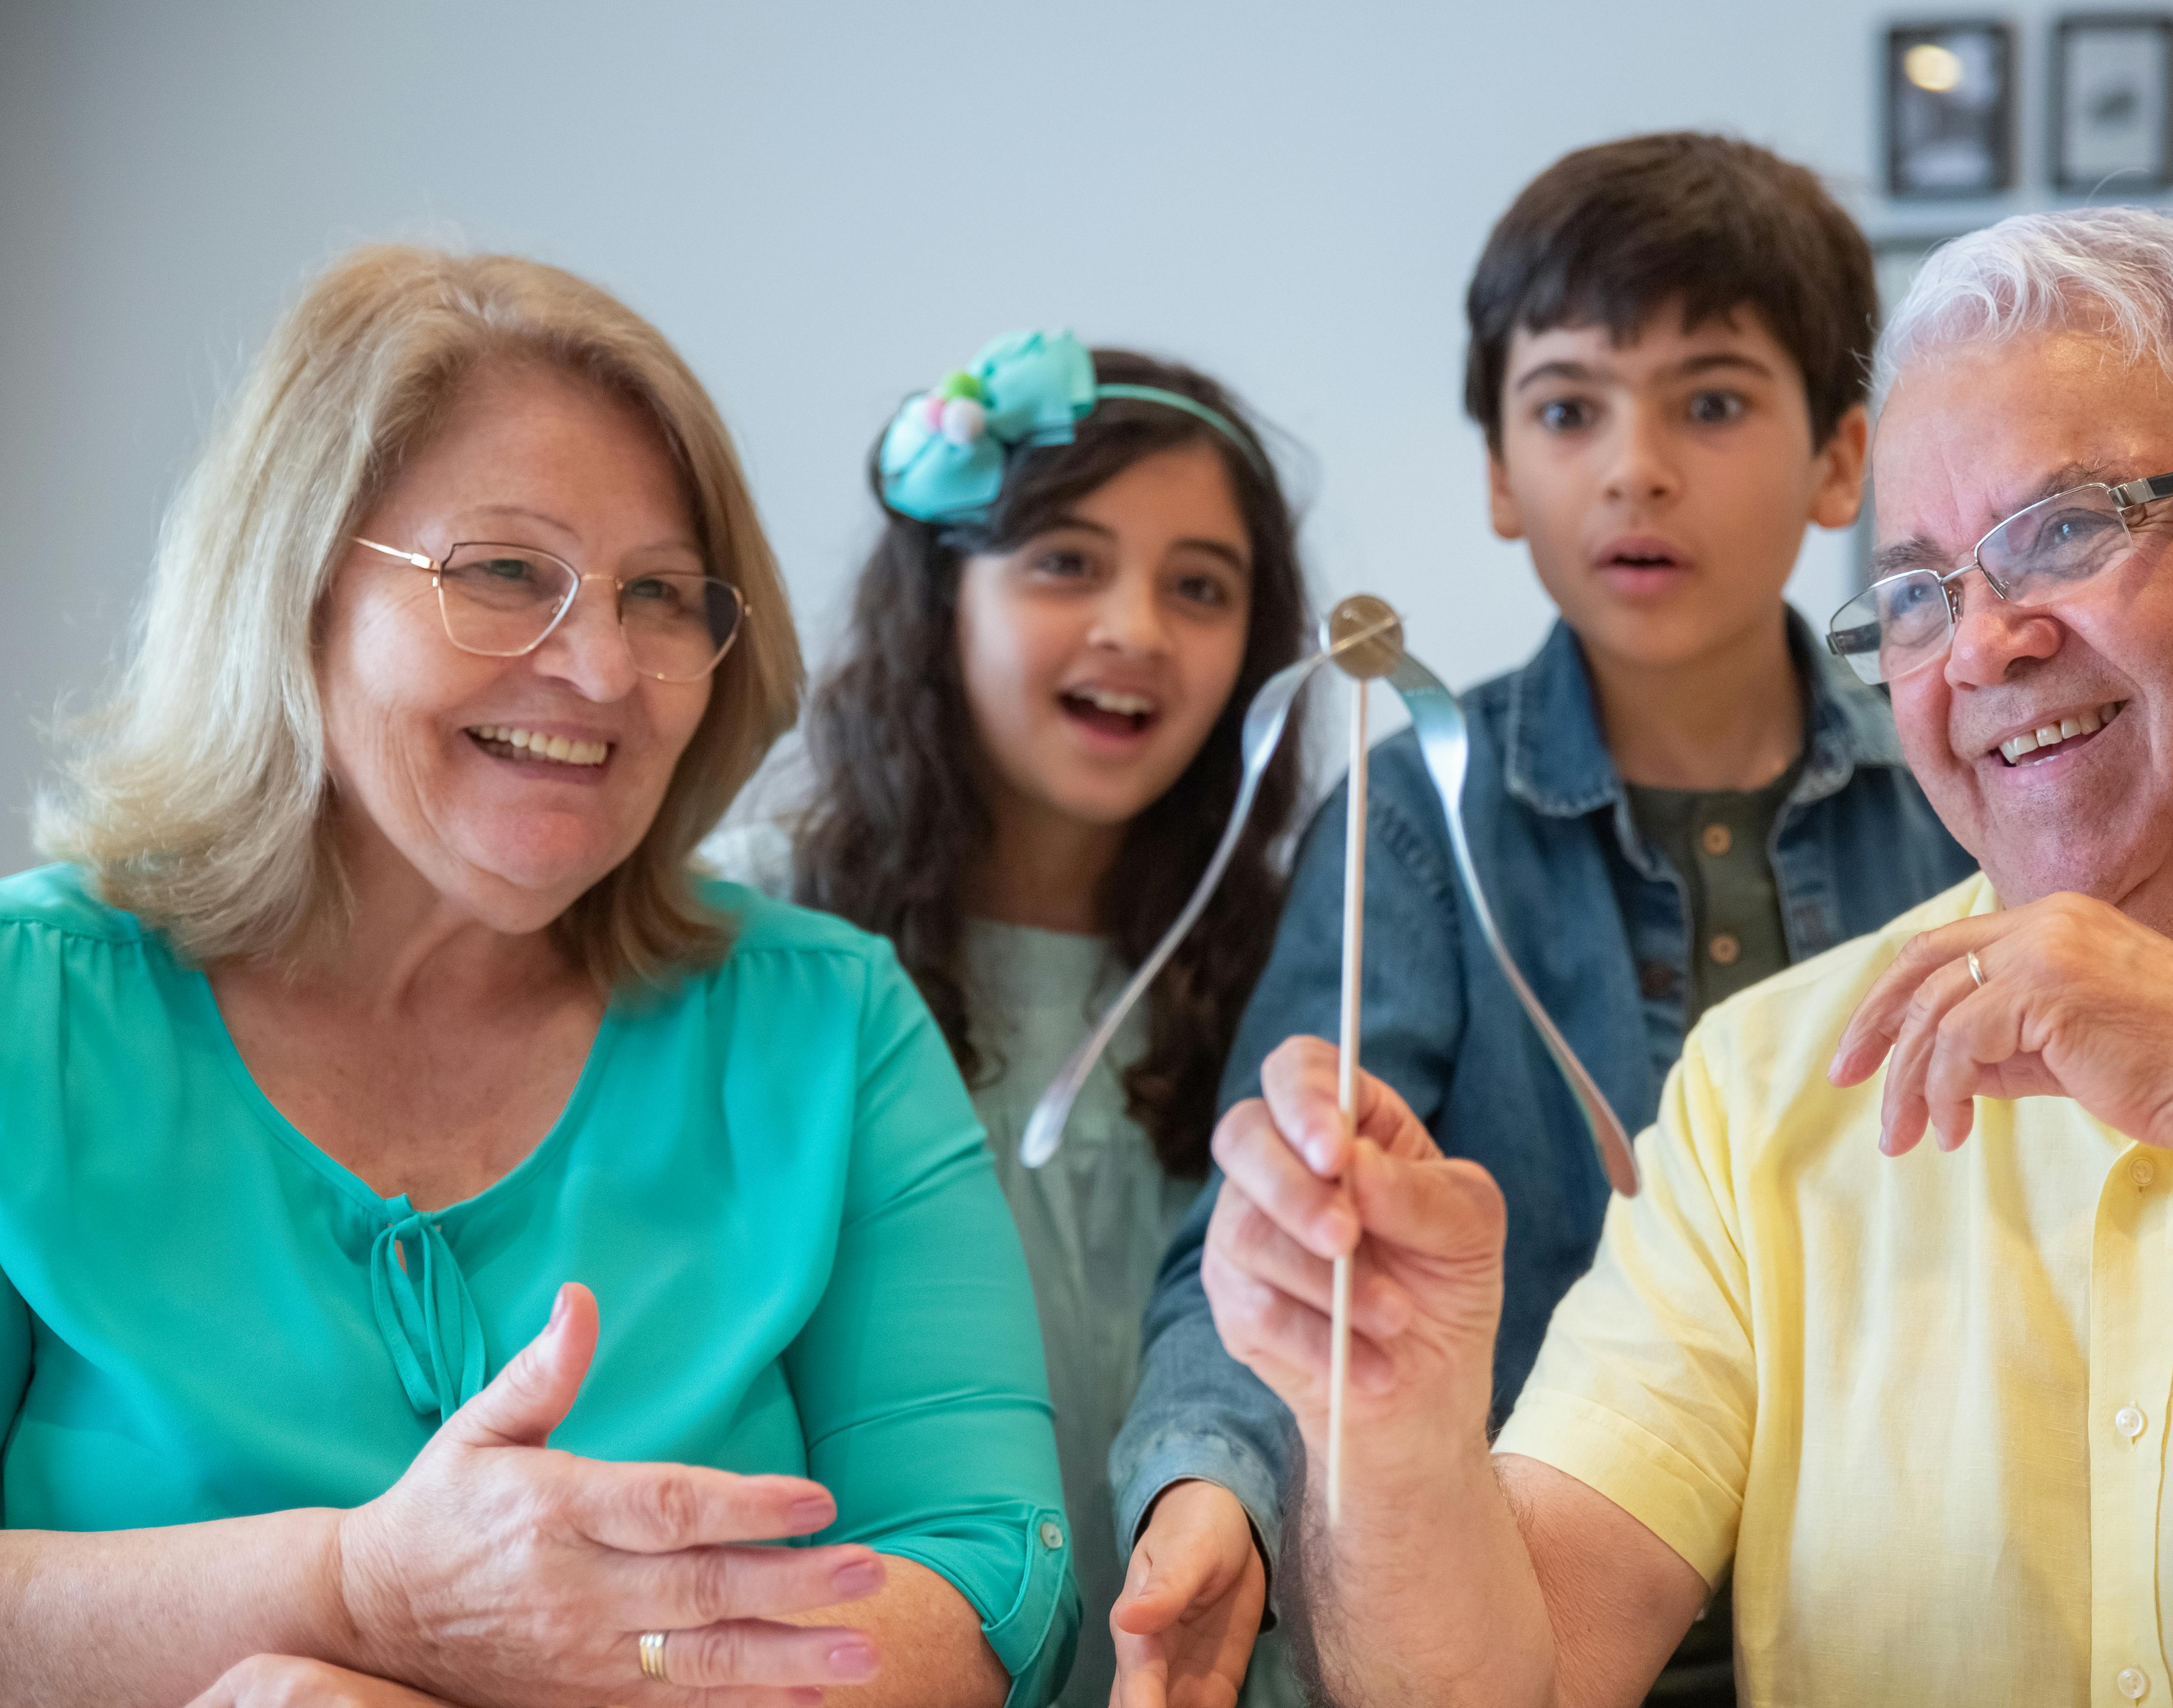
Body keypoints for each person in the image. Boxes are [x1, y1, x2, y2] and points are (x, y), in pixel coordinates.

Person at [1198, 205, 2173, 1707]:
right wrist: (1387, 1441)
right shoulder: (1766, 1089)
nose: (1982, 648)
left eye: (2067, 528)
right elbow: (1507, 1679)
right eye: (1918, 592)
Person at [0, 248, 1074, 1708]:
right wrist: (357, 1592)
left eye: (662, 597)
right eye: (505, 572)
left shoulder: (830, 1024)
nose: (602, 668)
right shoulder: (30, 1009)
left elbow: (985, 1586)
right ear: (294, 588)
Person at [1108, 133, 1974, 1705]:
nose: (1635, 467)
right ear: (1504, 474)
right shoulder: (1411, 824)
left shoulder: (1961, 781)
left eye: (1711, 403)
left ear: (1844, 457)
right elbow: (1263, 1250)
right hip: (1529, 1637)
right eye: (1571, 408)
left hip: (1915, 1630)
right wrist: (1205, 1491)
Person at [706, 329, 1312, 1708]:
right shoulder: (754, 939)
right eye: (1066, 561)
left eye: (1201, 587)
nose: (1137, 629)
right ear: (944, 595)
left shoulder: (1299, 966)